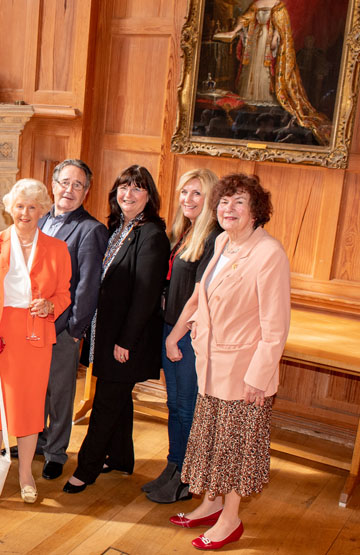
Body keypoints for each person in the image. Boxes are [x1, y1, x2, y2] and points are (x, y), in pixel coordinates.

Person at [167, 174, 290, 550]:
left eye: (239, 202)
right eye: (224, 201)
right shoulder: (221, 242)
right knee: (212, 441)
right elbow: (200, 295)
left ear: (256, 212)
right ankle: (212, 501)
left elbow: (276, 327)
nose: (228, 209)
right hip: (211, 364)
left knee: (235, 448)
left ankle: (230, 519)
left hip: (244, 371)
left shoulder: (269, 253)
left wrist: (259, 377)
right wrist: (176, 333)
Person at [63, 165, 170, 494]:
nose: (129, 194)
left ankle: (87, 467)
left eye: (137, 189)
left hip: (128, 339)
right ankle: (121, 458)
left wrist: (126, 341)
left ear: (149, 196)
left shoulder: (151, 234)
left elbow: (146, 295)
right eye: (124, 188)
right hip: (106, 333)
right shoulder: (118, 227)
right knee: (118, 398)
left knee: (107, 401)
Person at [0, 179, 71, 503]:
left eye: (32, 207)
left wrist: (52, 306)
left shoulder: (57, 248)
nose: (25, 212)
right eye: (19, 206)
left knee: (28, 409)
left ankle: (26, 472)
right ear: (9, 208)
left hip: (34, 336)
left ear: (42, 210)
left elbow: (63, 293)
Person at [143, 169, 221, 504]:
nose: (187, 200)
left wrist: (176, 336)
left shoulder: (215, 238)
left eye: (197, 194)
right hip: (170, 328)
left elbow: (201, 297)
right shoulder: (183, 232)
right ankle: (174, 465)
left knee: (188, 407)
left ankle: (189, 477)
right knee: (173, 404)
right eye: (184, 192)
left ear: (211, 200)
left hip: (188, 335)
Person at [34, 159, 108, 481]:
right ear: (53, 184)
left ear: (87, 192)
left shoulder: (91, 230)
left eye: (78, 185)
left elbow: (88, 285)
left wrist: (75, 329)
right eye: (65, 182)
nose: (69, 190)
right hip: (32, 324)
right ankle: (36, 440)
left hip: (63, 328)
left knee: (61, 394)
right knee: (36, 389)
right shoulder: (38, 222)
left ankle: (56, 452)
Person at [223, 0, 331, 144]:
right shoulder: (257, 3)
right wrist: (234, 31)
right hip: (256, 39)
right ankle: (250, 96)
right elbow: (245, 19)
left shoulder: (279, 6)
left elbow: (281, 28)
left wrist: (275, 39)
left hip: (267, 40)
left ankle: (265, 97)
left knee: (265, 71)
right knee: (252, 69)